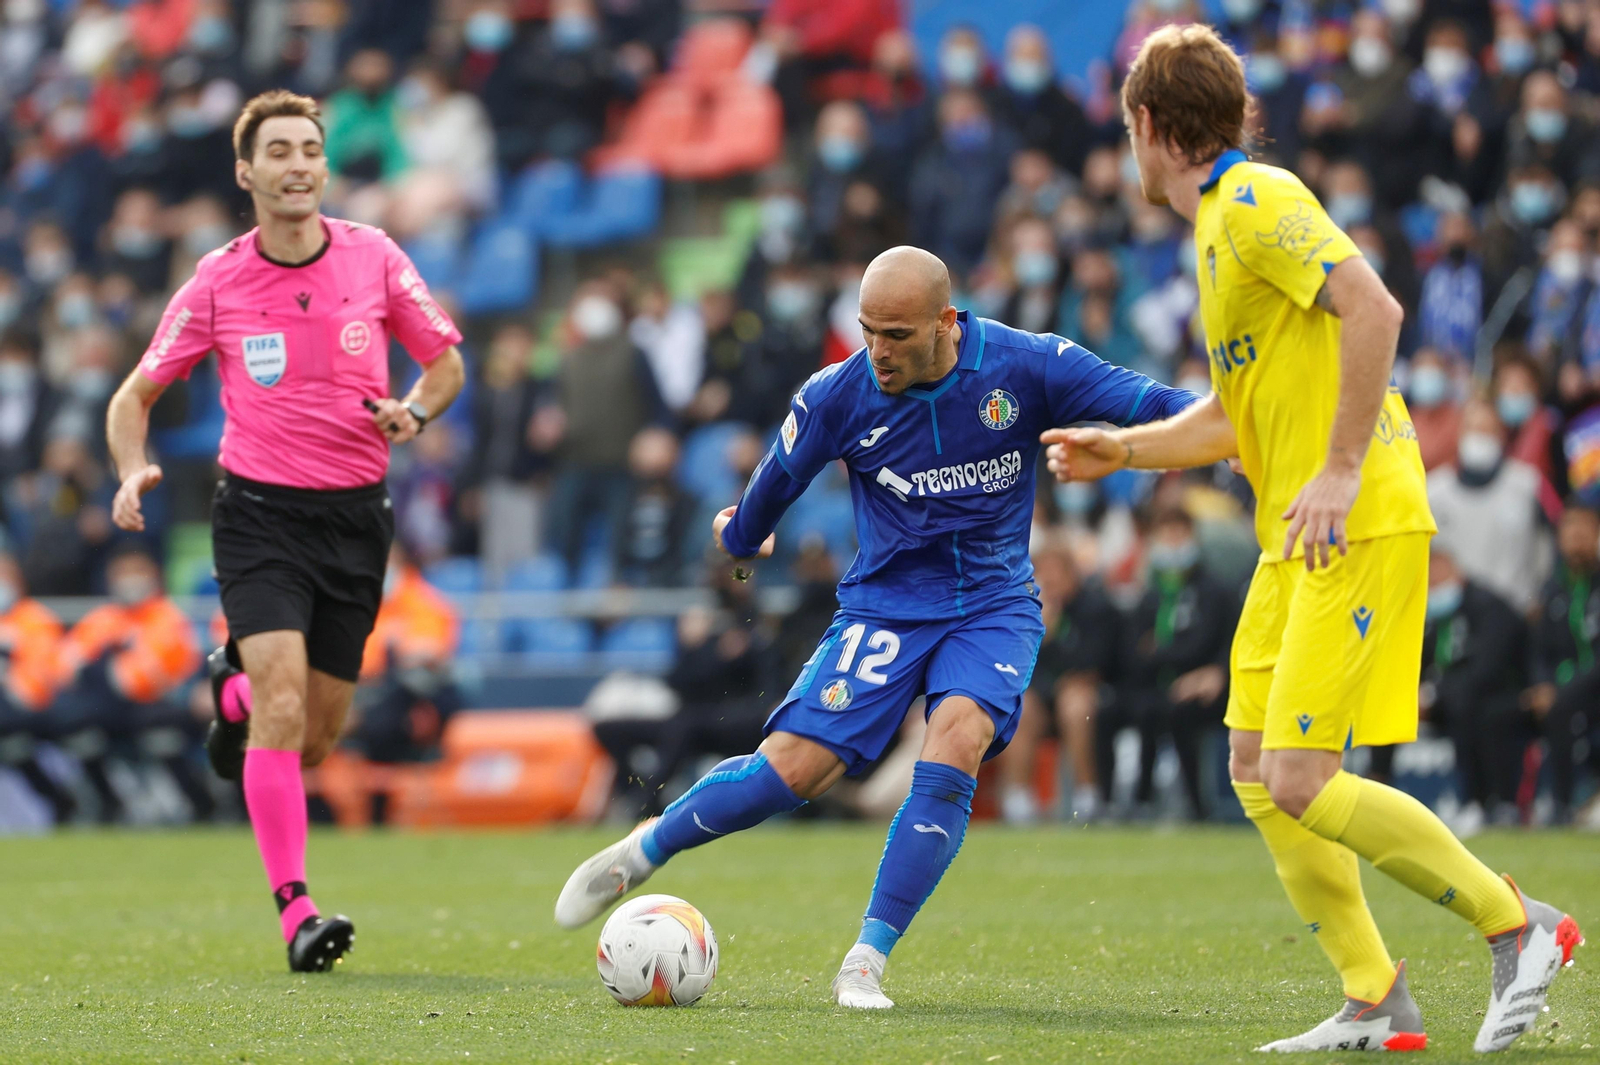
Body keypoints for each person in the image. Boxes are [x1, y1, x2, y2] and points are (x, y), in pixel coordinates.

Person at [1044, 25, 1579, 1053]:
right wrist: (1126, 449)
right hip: (1297, 533)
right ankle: (1374, 996)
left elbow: (1374, 307)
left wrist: (1337, 470)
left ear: (1147, 127)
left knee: (1298, 776)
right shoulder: (1214, 229)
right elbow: (1235, 418)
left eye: (1127, 129)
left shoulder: (1255, 201)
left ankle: (1518, 925)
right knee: (1254, 765)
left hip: (1354, 516)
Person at [553, 245, 1199, 1008]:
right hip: (887, 605)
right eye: (868, 331)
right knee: (794, 770)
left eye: (896, 334)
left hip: (993, 602)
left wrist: (1221, 438)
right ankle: (647, 845)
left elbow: (1161, 404)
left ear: (945, 323)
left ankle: (866, 957)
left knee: (956, 737)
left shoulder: (1028, 366)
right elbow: (773, 483)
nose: (878, 351)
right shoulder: (838, 393)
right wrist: (737, 539)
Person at [104, 91, 466, 972]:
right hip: (259, 515)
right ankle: (297, 913)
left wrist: (413, 413)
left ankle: (227, 696)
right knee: (284, 698)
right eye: (280, 151)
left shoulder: (374, 257)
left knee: (314, 733)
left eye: (311, 148)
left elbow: (445, 362)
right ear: (247, 172)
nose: (299, 163)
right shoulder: (218, 280)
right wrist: (129, 470)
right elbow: (133, 397)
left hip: (356, 519)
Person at [47, 543, 204, 822]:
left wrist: (101, 665)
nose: (130, 579)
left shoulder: (168, 616)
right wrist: (105, 664)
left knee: (160, 730)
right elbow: (64, 666)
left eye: (137, 571)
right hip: (109, 711)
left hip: (159, 708)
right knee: (75, 724)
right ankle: (108, 803)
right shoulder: (101, 618)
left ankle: (199, 802)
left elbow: (140, 681)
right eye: (122, 572)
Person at [1113, 506, 1236, 820]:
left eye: (1179, 534)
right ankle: (1138, 802)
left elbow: (1210, 643)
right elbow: (1134, 651)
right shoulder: (1152, 592)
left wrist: (1170, 654)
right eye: (1166, 534)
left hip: (1209, 687)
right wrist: (1167, 653)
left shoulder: (1215, 590)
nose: (1172, 542)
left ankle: (1198, 807)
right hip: (1158, 684)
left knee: (1179, 712)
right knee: (1132, 708)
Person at [1420, 548, 1530, 832]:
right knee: (1393, 706)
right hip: (1452, 696)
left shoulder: (1488, 605)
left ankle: (1486, 801)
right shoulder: (1431, 614)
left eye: (1435, 574)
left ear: (1452, 568)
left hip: (1501, 695)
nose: (1431, 584)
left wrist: (1434, 695)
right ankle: (1378, 783)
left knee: (1472, 709)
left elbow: (1487, 669)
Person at [1525, 503, 1600, 825]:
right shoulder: (1552, 588)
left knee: (1561, 708)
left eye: (1585, 529)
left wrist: (1562, 693)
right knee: (1504, 712)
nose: (1577, 537)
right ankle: (1557, 804)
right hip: (1561, 691)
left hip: (1589, 687)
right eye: (1570, 529)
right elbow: (1538, 649)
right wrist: (1543, 686)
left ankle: (1576, 799)